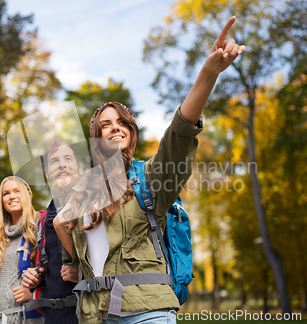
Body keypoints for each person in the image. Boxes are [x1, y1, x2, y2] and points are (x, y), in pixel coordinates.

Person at [53, 16, 245, 324]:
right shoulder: (82, 190)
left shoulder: (150, 178)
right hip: (93, 315)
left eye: (121, 123)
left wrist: (208, 74)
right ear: (96, 139)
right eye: (105, 125)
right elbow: (74, 262)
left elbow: (178, 136)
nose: (115, 128)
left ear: (130, 132)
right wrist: (61, 225)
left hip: (146, 312)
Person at [21, 139, 81, 324]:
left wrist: (83, 274)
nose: (62, 165)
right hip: (51, 317)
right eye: (54, 161)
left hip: (89, 315)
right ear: (47, 173)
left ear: (78, 168)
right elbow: (47, 271)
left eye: (67, 159)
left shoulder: (94, 210)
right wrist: (35, 278)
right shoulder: (42, 222)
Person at [0, 176, 43, 324]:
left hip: (25, 317)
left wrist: (35, 294)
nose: (12, 196)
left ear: (27, 195)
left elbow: (54, 274)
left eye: (17, 191)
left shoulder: (40, 228)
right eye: (6, 193)